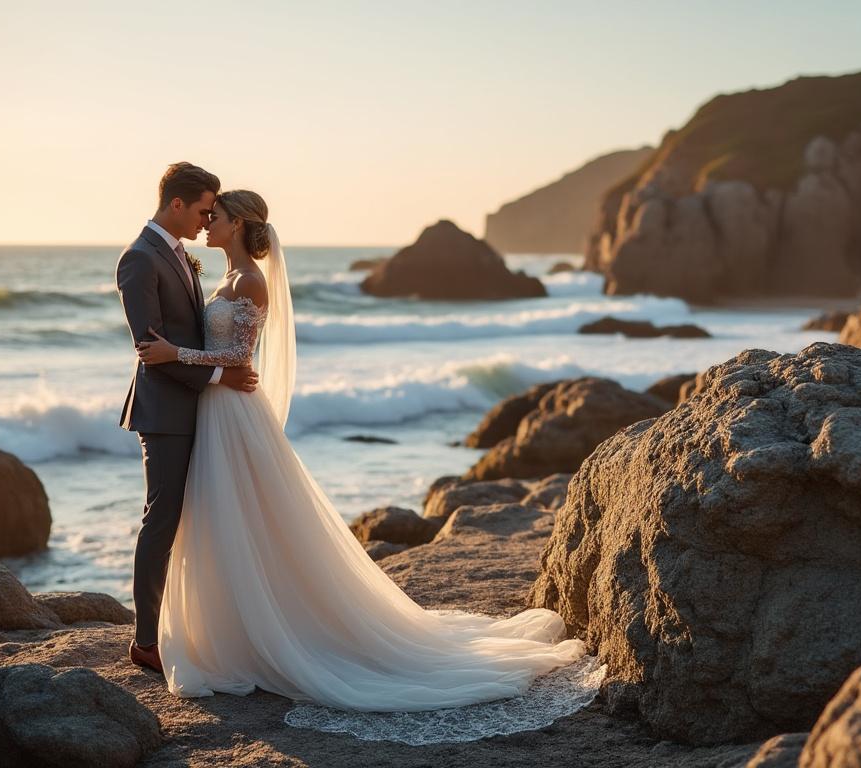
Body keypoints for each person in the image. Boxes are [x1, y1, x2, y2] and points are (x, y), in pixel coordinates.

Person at [134, 189, 599, 743]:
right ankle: (231, 628)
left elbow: (239, 360)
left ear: (237, 226)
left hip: (232, 412)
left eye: (217, 217)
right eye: (206, 215)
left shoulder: (250, 281)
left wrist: (177, 356)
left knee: (244, 517)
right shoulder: (227, 277)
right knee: (222, 518)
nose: (208, 224)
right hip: (217, 410)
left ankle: (264, 631)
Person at [115, 163, 259, 674]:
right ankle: (146, 640)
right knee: (162, 519)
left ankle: (211, 623)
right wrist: (220, 377)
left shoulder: (179, 255)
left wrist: (219, 377)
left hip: (201, 408)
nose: (205, 220)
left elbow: (191, 339)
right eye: (202, 210)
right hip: (166, 411)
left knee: (204, 517)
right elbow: (152, 347)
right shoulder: (139, 259)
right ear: (176, 205)